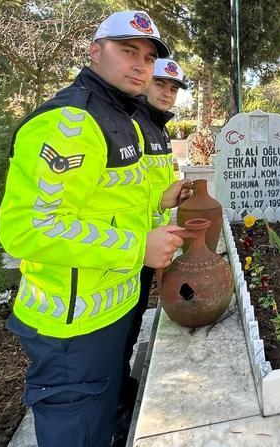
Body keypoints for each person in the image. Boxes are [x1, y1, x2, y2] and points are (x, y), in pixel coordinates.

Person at [0, 10, 191, 447]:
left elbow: (107, 202)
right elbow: (27, 227)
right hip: (70, 329)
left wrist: (158, 202)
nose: (140, 64)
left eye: (147, 56)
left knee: (101, 428)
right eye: (127, 51)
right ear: (94, 52)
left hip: (111, 311)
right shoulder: (68, 122)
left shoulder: (121, 117)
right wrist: (137, 246)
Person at [114, 58, 189, 438]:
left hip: (148, 248)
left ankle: (122, 390)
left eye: (174, 88)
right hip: (125, 249)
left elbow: (148, 193)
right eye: (161, 83)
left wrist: (166, 199)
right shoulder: (133, 125)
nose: (166, 92)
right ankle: (117, 407)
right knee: (121, 331)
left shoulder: (157, 128)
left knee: (132, 322)